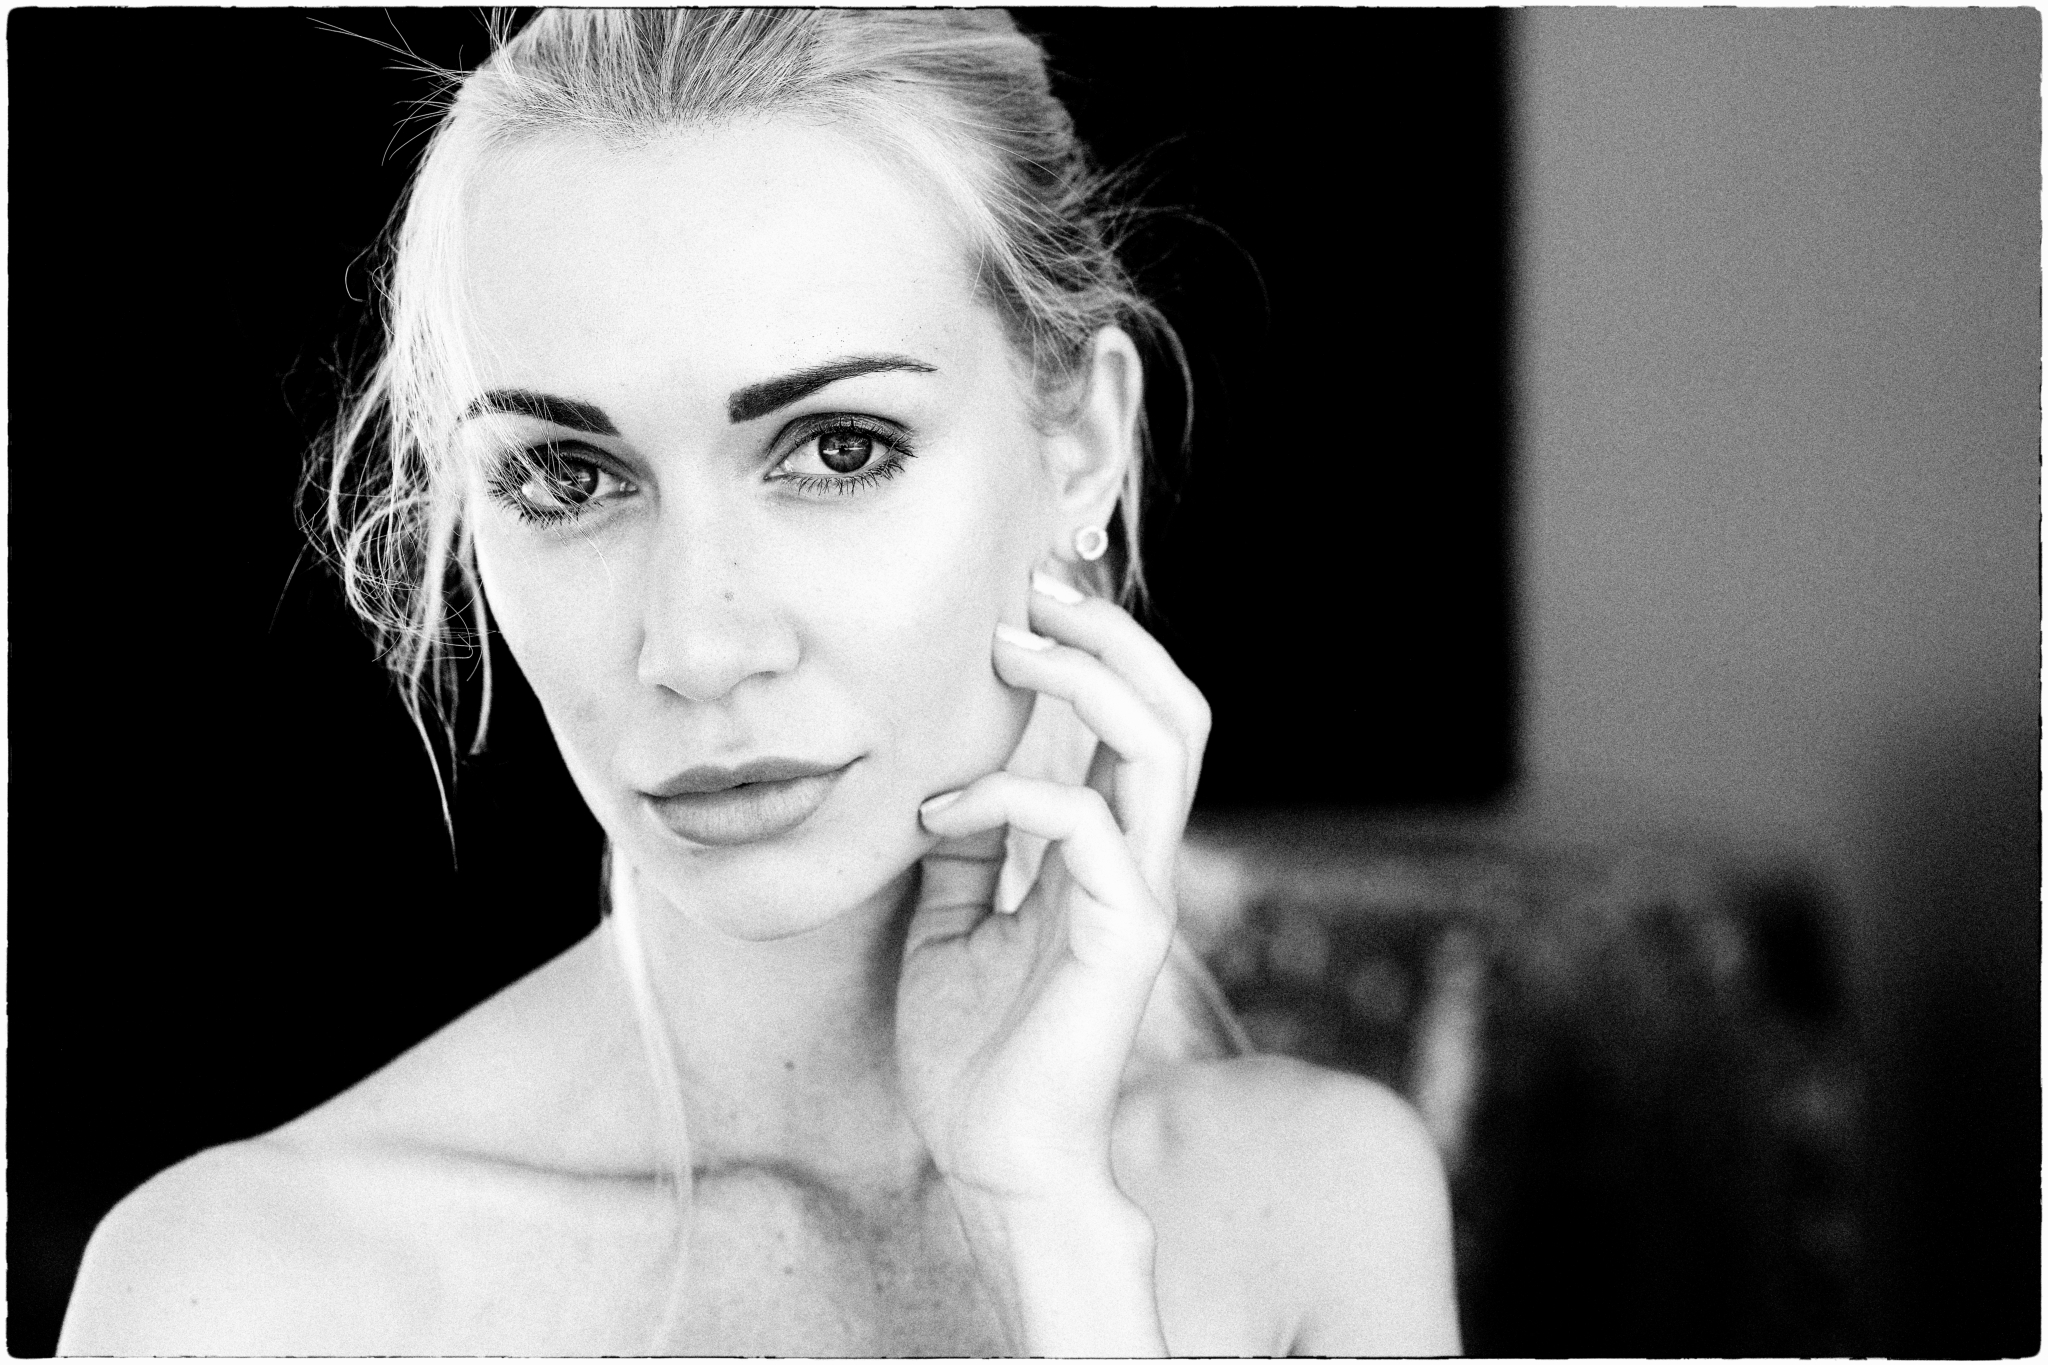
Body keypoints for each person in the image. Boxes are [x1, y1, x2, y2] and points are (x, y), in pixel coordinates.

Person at [57, 10, 1460, 1355]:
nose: (697, 646)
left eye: (839, 449)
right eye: (566, 477)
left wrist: (1050, 1227)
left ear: (1082, 444)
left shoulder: (1312, 1213)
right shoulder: (235, 1294)